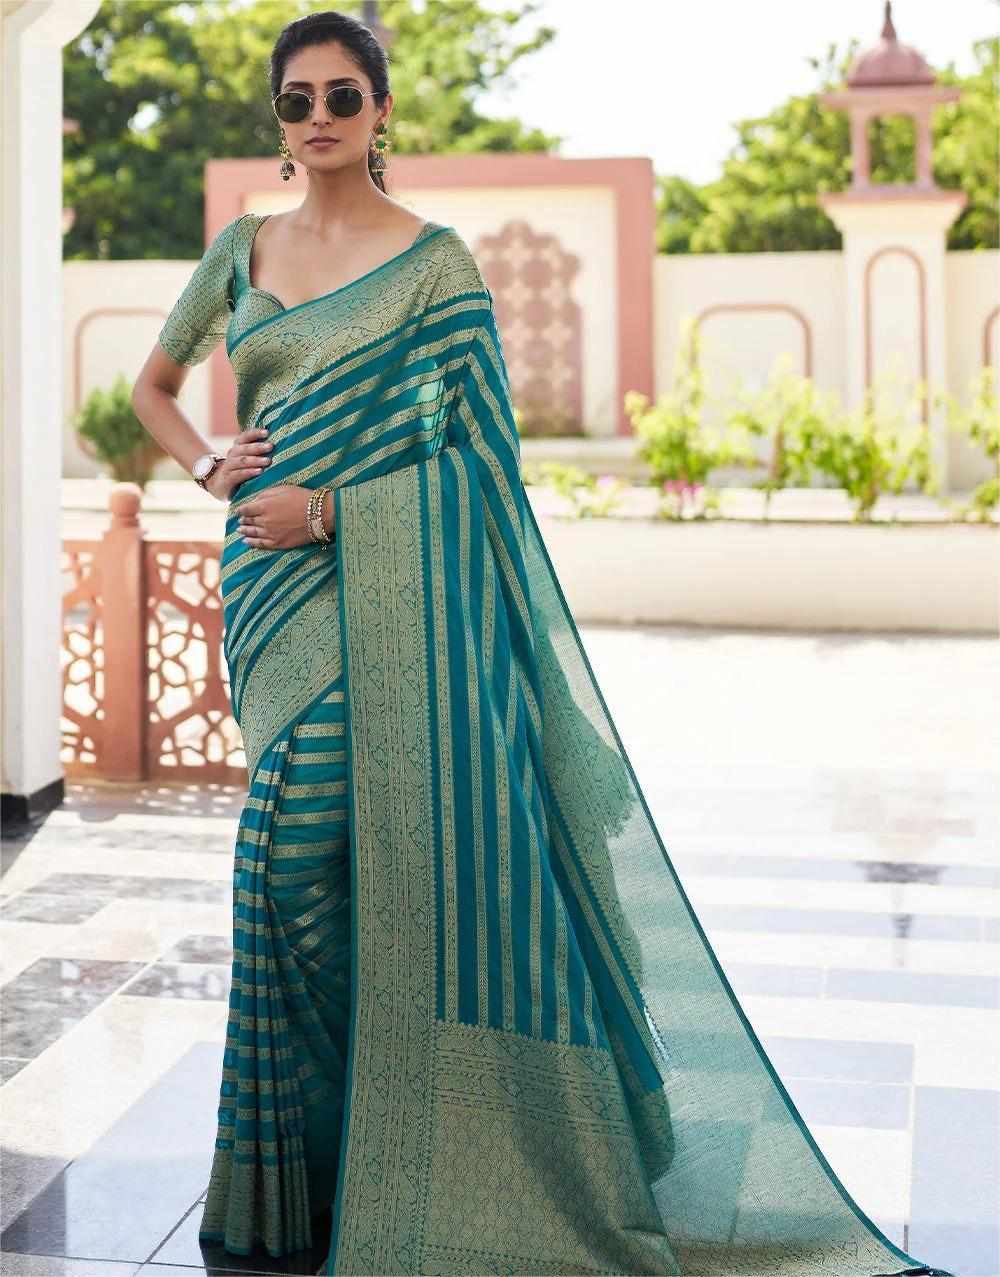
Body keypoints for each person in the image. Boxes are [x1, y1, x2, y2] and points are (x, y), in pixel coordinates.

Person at [131, 10, 957, 1277]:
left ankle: (415, 1148)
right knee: (294, 888)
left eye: (343, 95)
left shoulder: (437, 267)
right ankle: (325, 1179)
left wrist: (336, 510)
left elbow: (483, 465)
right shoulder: (241, 250)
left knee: (288, 871)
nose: (319, 117)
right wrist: (208, 468)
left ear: (382, 110)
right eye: (297, 100)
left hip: (377, 591)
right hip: (269, 599)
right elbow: (155, 387)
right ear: (278, 120)